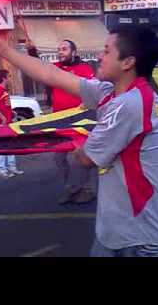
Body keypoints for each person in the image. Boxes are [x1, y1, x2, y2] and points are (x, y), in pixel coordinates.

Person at [0, 26, 158, 257]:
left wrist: (75, 140)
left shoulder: (132, 103)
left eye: (106, 51)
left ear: (128, 63)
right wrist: (4, 49)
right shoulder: (109, 92)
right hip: (116, 233)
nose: (99, 57)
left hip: (146, 241)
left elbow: (86, 159)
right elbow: (52, 75)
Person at [50, 40, 97, 205]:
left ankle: (88, 190)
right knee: (58, 159)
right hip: (59, 122)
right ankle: (70, 189)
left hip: (79, 123)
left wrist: (88, 103)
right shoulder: (56, 67)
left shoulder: (84, 69)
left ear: (73, 51)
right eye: (59, 49)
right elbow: (39, 69)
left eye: (64, 49)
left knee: (82, 157)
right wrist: (32, 51)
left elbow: (93, 90)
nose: (60, 52)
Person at [0, 70, 24, 178]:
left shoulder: (4, 90)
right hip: (0, 124)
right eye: (9, 76)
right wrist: (3, 118)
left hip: (8, 123)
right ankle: (2, 169)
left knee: (10, 145)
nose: (10, 78)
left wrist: (11, 113)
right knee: (1, 146)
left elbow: (3, 105)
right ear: (4, 78)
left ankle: (11, 167)